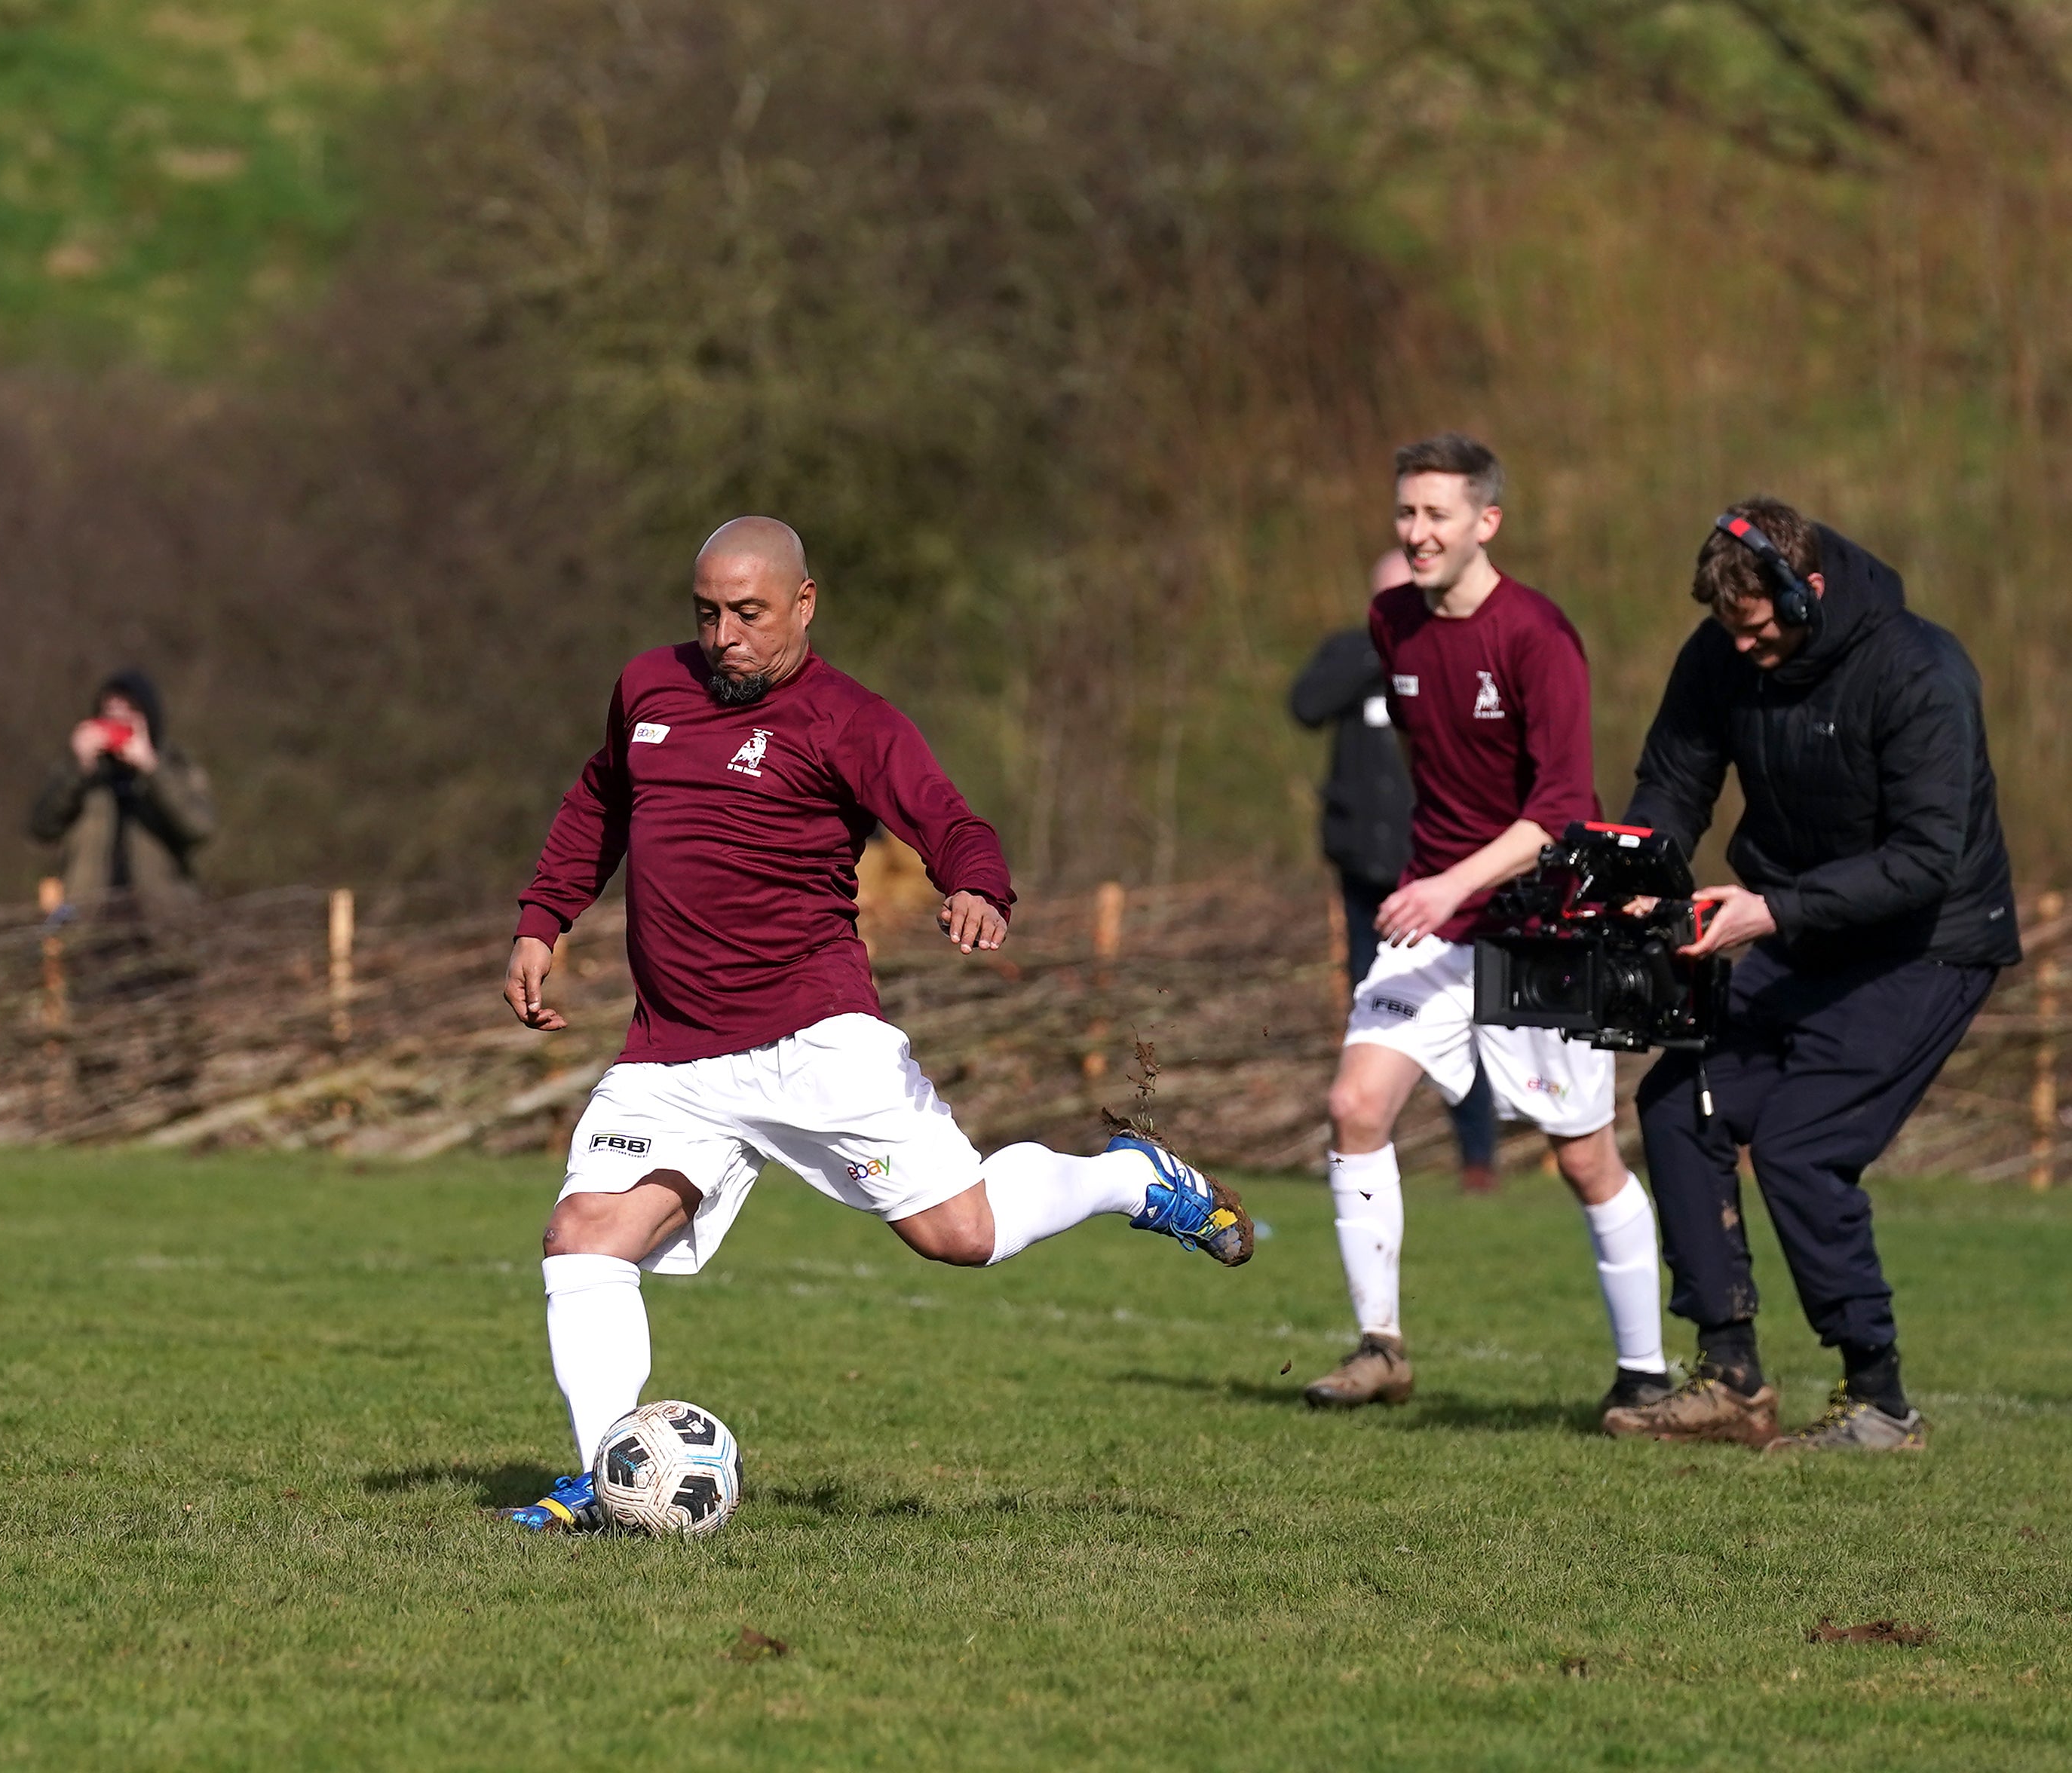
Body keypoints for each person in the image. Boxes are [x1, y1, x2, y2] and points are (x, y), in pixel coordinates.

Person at [499, 516, 1252, 1531]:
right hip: (671, 1051)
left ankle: (1131, 1178)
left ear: (804, 605)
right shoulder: (646, 688)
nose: (722, 636)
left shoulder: (848, 721)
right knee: (581, 1239)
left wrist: (975, 887)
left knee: (962, 1236)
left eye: (747, 614)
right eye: (707, 613)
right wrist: (542, 922)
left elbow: (947, 819)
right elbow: (598, 801)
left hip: (812, 1041)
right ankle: (607, 1474)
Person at [1602, 498, 2016, 1453]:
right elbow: (1673, 780)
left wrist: (1767, 911)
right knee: (1680, 1096)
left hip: (1931, 941)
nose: (1745, 651)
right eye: (1728, 632)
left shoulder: (1921, 671)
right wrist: (1645, 875)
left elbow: (1924, 861)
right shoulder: (1721, 655)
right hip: (1801, 925)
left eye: (1759, 631)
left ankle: (1878, 1401)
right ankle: (1730, 1377)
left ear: (1808, 591)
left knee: (1802, 1141)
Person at [1301, 433, 1669, 1416]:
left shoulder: (1536, 637)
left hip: (1534, 927)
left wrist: (1446, 884)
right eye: (1404, 514)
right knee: (1353, 1107)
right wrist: (1431, 886)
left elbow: (1557, 815)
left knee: (1581, 1155)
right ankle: (1379, 1347)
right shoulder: (1391, 624)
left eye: (1436, 516)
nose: (1415, 533)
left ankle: (1644, 1372)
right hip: (1433, 919)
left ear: (1484, 523)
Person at [1290, 547, 1502, 1193]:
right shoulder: (1354, 657)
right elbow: (1304, 706)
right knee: (1372, 1009)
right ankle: (1367, 1147)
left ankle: (1477, 1161)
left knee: (1460, 1014)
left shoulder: (1459, 659)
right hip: (1366, 876)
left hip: (1440, 881)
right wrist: (1378, 650)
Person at [28, 669, 216, 914]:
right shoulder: (82, 774)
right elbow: (43, 827)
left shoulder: (176, 767)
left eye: (129, 715)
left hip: (162, 925)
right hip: (88, 925)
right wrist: (79, 770)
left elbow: (199, 828)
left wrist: (151, 769)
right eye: (109, 716)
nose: (117, 724)